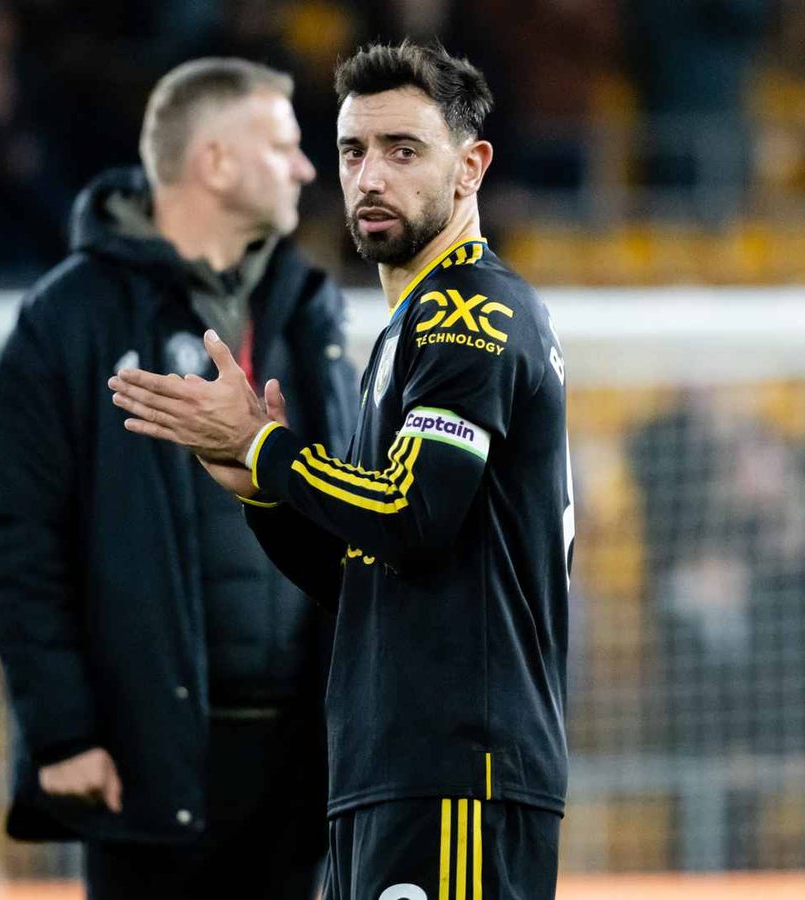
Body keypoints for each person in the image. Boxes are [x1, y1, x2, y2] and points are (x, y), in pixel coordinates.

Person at [111, 41, 574, 898]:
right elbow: (371, 566)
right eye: (353, 151)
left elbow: (411, 514)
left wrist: (266, 447)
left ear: (471, 168)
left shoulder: (469, 311)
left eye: (403, 151)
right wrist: (264, 496)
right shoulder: (412, 327)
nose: (368, 176)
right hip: (391, 769)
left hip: (457, 774)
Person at [0, 57, 355, 899]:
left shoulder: (314, 309)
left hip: (305, 766)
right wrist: (60, 729)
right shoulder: (69, 317)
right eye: (285, 145)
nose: (305, 167)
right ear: (215, 162)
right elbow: (18, 543)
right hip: (145, 764)